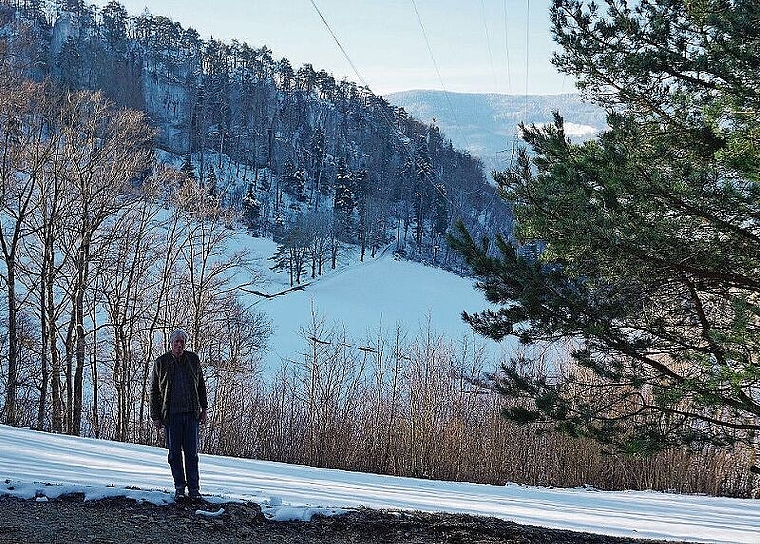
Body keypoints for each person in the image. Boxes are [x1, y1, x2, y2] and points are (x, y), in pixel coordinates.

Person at [150, 329, 208, 500]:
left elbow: (201, 386)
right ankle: (179, 488)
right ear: (171, 343)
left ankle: (194, 489)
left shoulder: (193, 359)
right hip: (171, 416)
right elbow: (154, 391)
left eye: (182, 341)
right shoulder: (161, 362)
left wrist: (204, 409)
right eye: (176, 341)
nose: (179, 344)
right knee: (174, 454)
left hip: (191, 414)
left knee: (192, 454)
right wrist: (155, 416)